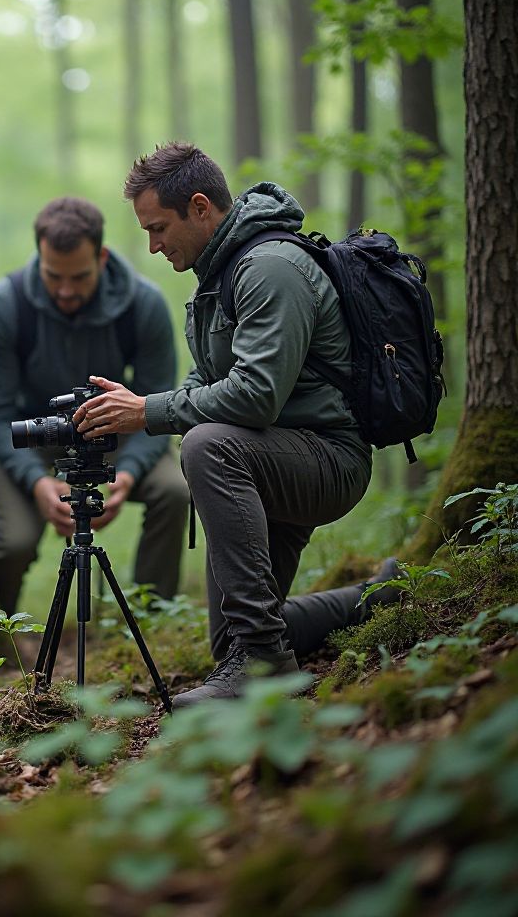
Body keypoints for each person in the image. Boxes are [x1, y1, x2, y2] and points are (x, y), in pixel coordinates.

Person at [73, 143, 397, 706]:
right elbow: (206, 379)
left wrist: (146, 411)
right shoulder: (219, 276)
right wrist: (154, 405)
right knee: (233, 640)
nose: (152, 246)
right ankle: (373, 598)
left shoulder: (270, 268)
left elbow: (256, 397)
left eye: (157, 228)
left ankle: (267, 665)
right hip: (269, 459)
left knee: (206, 444)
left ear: (200, 207)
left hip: (324, 459)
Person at [0, 195, 189, 614]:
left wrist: (127, 477)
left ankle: (153, 619)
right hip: (34, 438)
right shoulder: (6, 305)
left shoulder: (142, 304)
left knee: (173, 491)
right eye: (52, 276)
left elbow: (156, 406)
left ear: (102, 256)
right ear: (38, 255)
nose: (64, 290)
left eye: (78, 277)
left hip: (117, 431)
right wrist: (40, 485)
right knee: (15, 542)